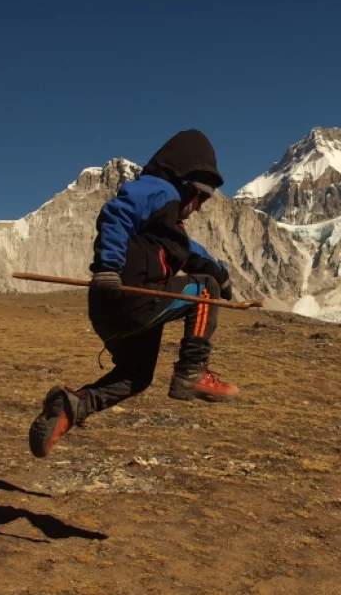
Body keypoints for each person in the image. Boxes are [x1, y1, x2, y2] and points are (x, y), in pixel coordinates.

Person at [28, 129, 239, 459]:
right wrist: (108, 267)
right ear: (190, 183)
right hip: (129, 295)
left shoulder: (167, 219)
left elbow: (191, 251)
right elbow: (117, 213)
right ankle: (192, 371)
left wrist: (222, 273)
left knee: (135, 376)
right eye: (203, 197)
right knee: (204, 290)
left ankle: (70, 408)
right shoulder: (159, 189)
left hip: (112, 311)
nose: (199, 207)